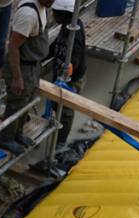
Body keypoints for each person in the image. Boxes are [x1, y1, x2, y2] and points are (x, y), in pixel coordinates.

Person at [0, 0, 56, 155]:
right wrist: (17, 77)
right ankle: (6, 139)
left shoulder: (43, 6)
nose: (52, 1)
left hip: (33, 65)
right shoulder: (29, 15)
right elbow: (13, 47)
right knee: (16, 103)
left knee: (27, 102)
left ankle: (17, 133)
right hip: (23, 66)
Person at [47, 0, 87, 144]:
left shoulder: (75, 31)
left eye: (54, 14)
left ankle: (60, 142)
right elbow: (57, 44)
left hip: (72, 80)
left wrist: (71, 65)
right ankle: (54, 127)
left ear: (64, 15)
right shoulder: (66, 25)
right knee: (55, 105)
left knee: (66, 112)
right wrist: (42, 54)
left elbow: (76, 52)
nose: (53, 17)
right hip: (59, 76)